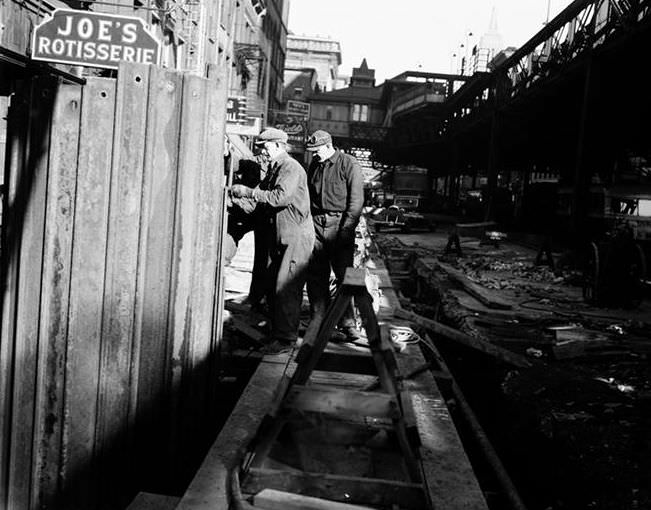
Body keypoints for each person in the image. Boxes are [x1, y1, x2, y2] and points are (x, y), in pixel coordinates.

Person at [230, 127, 314, 354]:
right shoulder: (276, 168)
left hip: (295, 237)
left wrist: (247, 192)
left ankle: (286, 340)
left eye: (266, 148)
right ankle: (277, 334)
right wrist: (235, 200)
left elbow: (279, 198)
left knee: (286, 287)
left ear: (278, 146)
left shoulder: (290, 167)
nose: (263, 153)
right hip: (281, 236)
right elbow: (260, 198)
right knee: (274, 285)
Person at [305, 130, 364, 342]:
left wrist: (346, 231)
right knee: (316, 275)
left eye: (317, 150)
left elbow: (356, 202)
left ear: (329, 146)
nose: (314, 155)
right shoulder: (315, 165)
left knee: (344, 277)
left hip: (340, 226)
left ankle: (348, 324)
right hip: (316, 224)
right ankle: (319, 319)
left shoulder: (349, 164)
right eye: (312, 151)